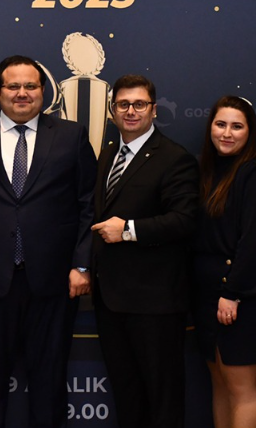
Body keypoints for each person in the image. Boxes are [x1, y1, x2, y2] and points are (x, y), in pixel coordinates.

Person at [0, 55, 97, 428]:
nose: (22, 93)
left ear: (43, 91)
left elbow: (89, 204)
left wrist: (81, 264)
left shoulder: (71, 135)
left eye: (30, 86)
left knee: (49, 383)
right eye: (13, 86)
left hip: (53, 282)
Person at [90, 75, 199, 428]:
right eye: (123, 104)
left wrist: (128, 230)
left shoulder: (175, 158)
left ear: (154, 110)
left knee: (162, 399)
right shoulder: (109, 153)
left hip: (155, 303)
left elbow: (184, 220)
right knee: (127, 396)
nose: (131, 111)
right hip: (111, 300)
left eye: (139, 104)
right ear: (112, 111)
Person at [191, 95, 256, 428]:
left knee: (243, 389)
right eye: (220, 124)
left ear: (250, 132)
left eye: (237, 126)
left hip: (241, 297)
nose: (227, 133)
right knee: (220, 384)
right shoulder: (208, 172)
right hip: (208, 295)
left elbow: (253, 243)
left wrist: (232, 292)